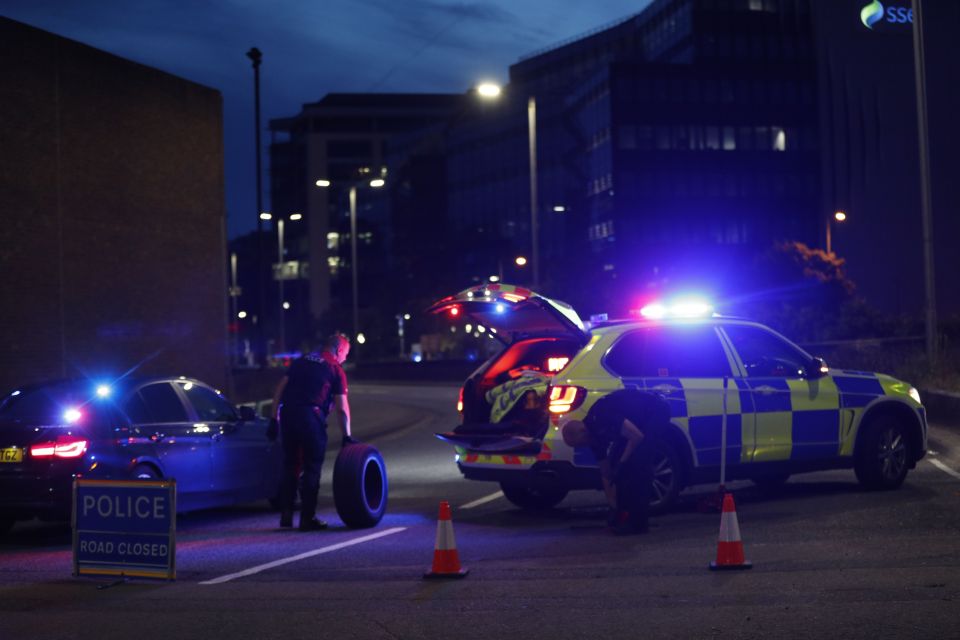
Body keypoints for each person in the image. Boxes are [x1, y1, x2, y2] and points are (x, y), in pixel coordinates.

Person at [270, 333, 352, 531]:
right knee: (312, 467)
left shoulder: (301, 361)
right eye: (346, 353)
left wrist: (274, 419)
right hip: (311, 418)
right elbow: (342, 408)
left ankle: (286, 515)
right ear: (339, 350)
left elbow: (279, 390)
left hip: (288, 416)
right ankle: (308, 518)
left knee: (290, 464)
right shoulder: (335, 368)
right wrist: (347, 436)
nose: (346, 358)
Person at [562, 390, 669, 535]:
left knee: (639, 464)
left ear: (582, 431)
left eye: (581, 443)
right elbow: (606, 475)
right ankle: (623, 514)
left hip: (655, 411)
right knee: (619, 468)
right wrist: (614, 507)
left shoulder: (602, 416)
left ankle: (638, 524)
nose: (584, 446)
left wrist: (622, 463)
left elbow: (637, 437)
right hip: (635, 425)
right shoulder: (593, 438)